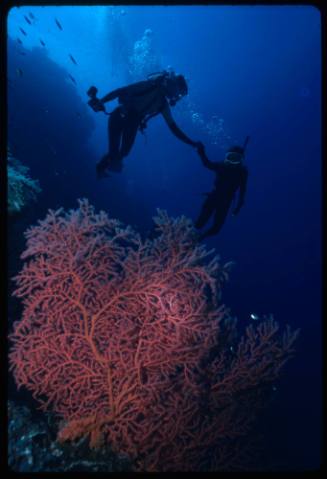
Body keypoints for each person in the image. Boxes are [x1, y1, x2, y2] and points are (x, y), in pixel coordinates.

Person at [88, 70, 202, 178]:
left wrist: (191, 143)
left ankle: (102, 168)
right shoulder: (150, 86)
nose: (177, 97)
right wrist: (100, 102)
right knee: (116, 153)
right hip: (119, 117)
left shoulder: (163, 104)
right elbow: (120, 91)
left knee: (122, 153)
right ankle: (100, 168)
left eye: (180, 95)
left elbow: (174, 128)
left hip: (130, 122)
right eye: (179, 93)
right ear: (174, 85)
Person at [195, 140, 249, 240]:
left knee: (216, 229)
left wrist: (239, 206)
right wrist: (201, 152)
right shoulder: (221, 166)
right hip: (213, 198)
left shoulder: (242, 172)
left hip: (226, 202)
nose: (233, 161)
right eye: (231, 157)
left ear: (241, 160)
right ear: (226, 157)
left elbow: (243, 189)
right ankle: (186, 235)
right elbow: (207, 164)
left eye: (236, 158)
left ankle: (199, 238)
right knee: (199, 224)